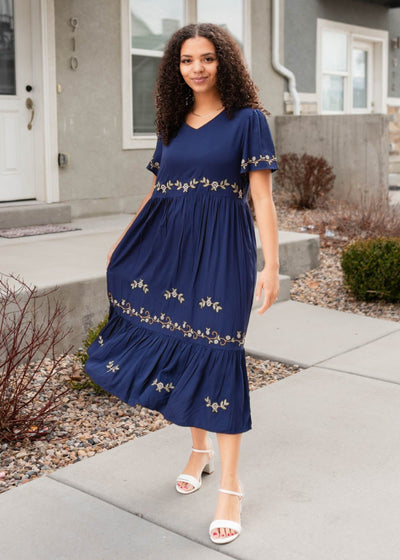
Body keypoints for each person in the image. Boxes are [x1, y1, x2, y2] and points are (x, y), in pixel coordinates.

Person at [85, 23, 279, 545]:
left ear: (225, 64)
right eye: (187, 60)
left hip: (223, 256)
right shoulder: (170, 123)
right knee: (180, 345)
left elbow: (261, 199)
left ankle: (231, 487)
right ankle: (199, 451)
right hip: (168, 251)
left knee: (217, 350)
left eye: (208, 58)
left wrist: (271, 264)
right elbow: (157, 192)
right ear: (177, 68)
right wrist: (123, 241)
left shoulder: (249, 121)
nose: (197, 68)